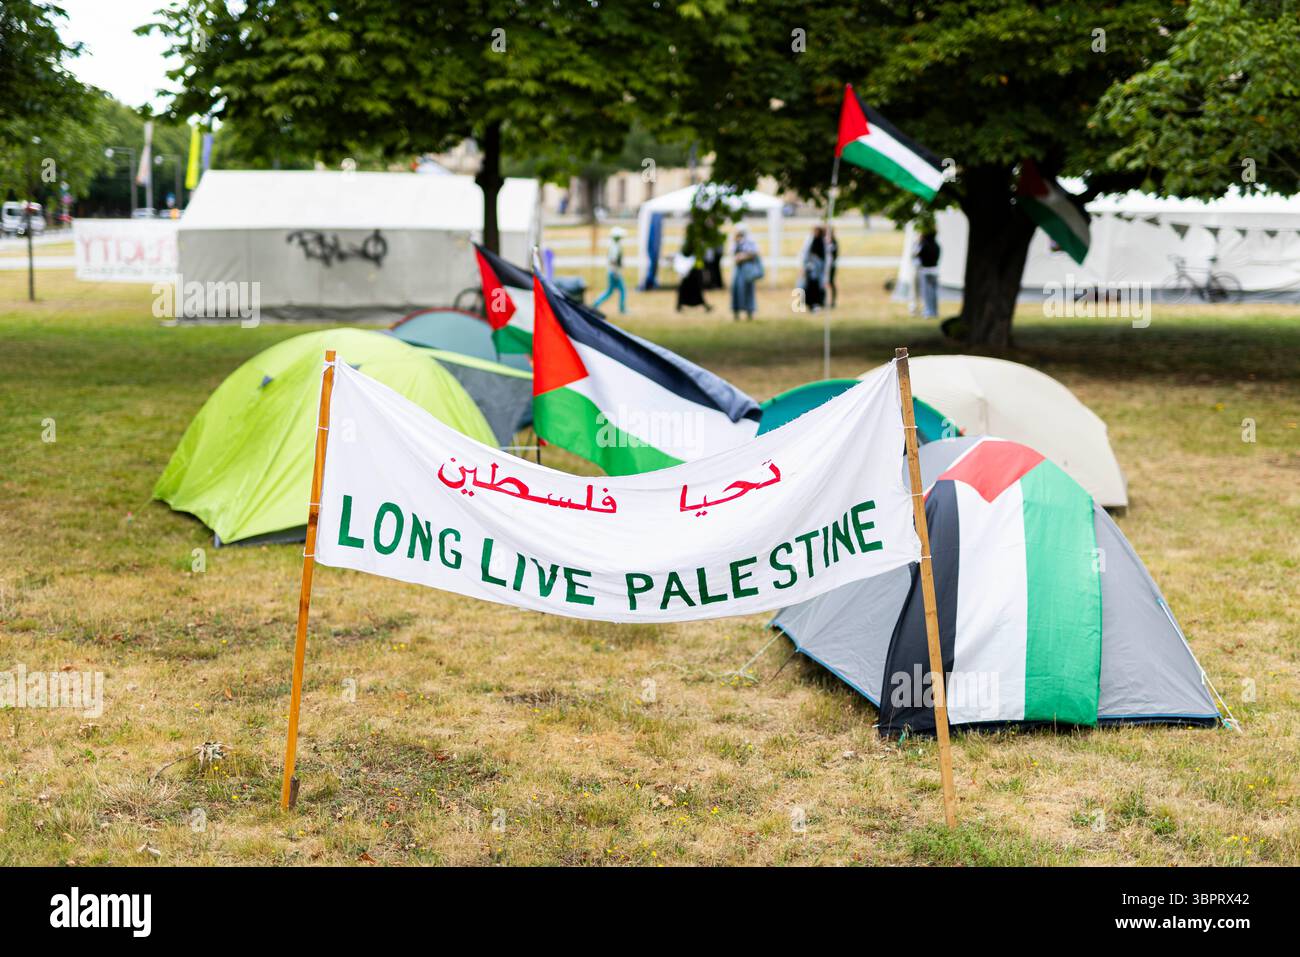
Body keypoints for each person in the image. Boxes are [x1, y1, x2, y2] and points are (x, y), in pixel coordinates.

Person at [730, 225, 762, 321]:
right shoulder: (735, 242)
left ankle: (749, 312)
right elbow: (732, 253)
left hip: (747, 270)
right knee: (736, 290)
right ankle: (736, 312)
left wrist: (743, 256)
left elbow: (755, 253)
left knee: (748, 290)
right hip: (738, 270)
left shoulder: (750, 242)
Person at [592, 226, 627, 314]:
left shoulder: (614, 245)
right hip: (614, 272)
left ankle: (596, 303)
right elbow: (613, 260)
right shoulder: (615, 247)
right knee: (622, 290)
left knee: (609, 291)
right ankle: (622, 309)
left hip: (612, 271)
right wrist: (616, 272)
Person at [799, 225, 828, 311]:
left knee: (819, 286)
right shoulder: (812, 241)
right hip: (812, 270)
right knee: (810, 286)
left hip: (818, 269)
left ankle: (818, 303)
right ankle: (811, 304)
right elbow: (806, 254)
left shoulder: (822, 242)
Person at [916, 228, 941, 319]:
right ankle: (934, 311)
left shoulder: (924, 246)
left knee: (927, 292)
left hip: (926, 270)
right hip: (935, 270)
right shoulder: (937, 245)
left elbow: (917, 255)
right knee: (934, 292)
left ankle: (928, 311)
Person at [825, 228, 839, 308]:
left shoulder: (833, 242)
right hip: (825, 266)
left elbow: (835, 255)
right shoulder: (825, 242)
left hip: (831, 266)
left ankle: (833, 301)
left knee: (831, 282)